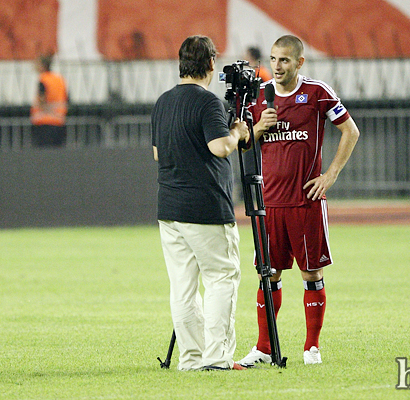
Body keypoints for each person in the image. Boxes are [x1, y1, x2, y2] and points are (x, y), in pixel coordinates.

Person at [238, 35, 360, 366]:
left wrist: (330, 175)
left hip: (305, 202)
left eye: (285, 61)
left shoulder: (317, 93)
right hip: (270, 204)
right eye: (274, 59)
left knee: (311, 274)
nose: (277, 66)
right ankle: (263, 348)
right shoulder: (259, 99)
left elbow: (351, 131)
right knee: (270, 274)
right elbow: (244, 145)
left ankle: (312, 347)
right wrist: (259, 128)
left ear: (299, 63)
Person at [151, 35, 250, 371]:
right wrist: (238, 132)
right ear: (210, 63)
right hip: (206, 208)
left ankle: (191, 359)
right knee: (222, 278)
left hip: (170, 209)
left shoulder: (163, 102)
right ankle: (218, 357)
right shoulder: (209, 103)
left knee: (183, 288)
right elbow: (221, 147)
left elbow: (156, 153)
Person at [30, 54, 68, 148]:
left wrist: (45, 109)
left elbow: (42, 99)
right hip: (59, 121)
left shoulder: (43, 79)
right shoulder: (59, 79)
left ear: (42, 66)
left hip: (44, 122)